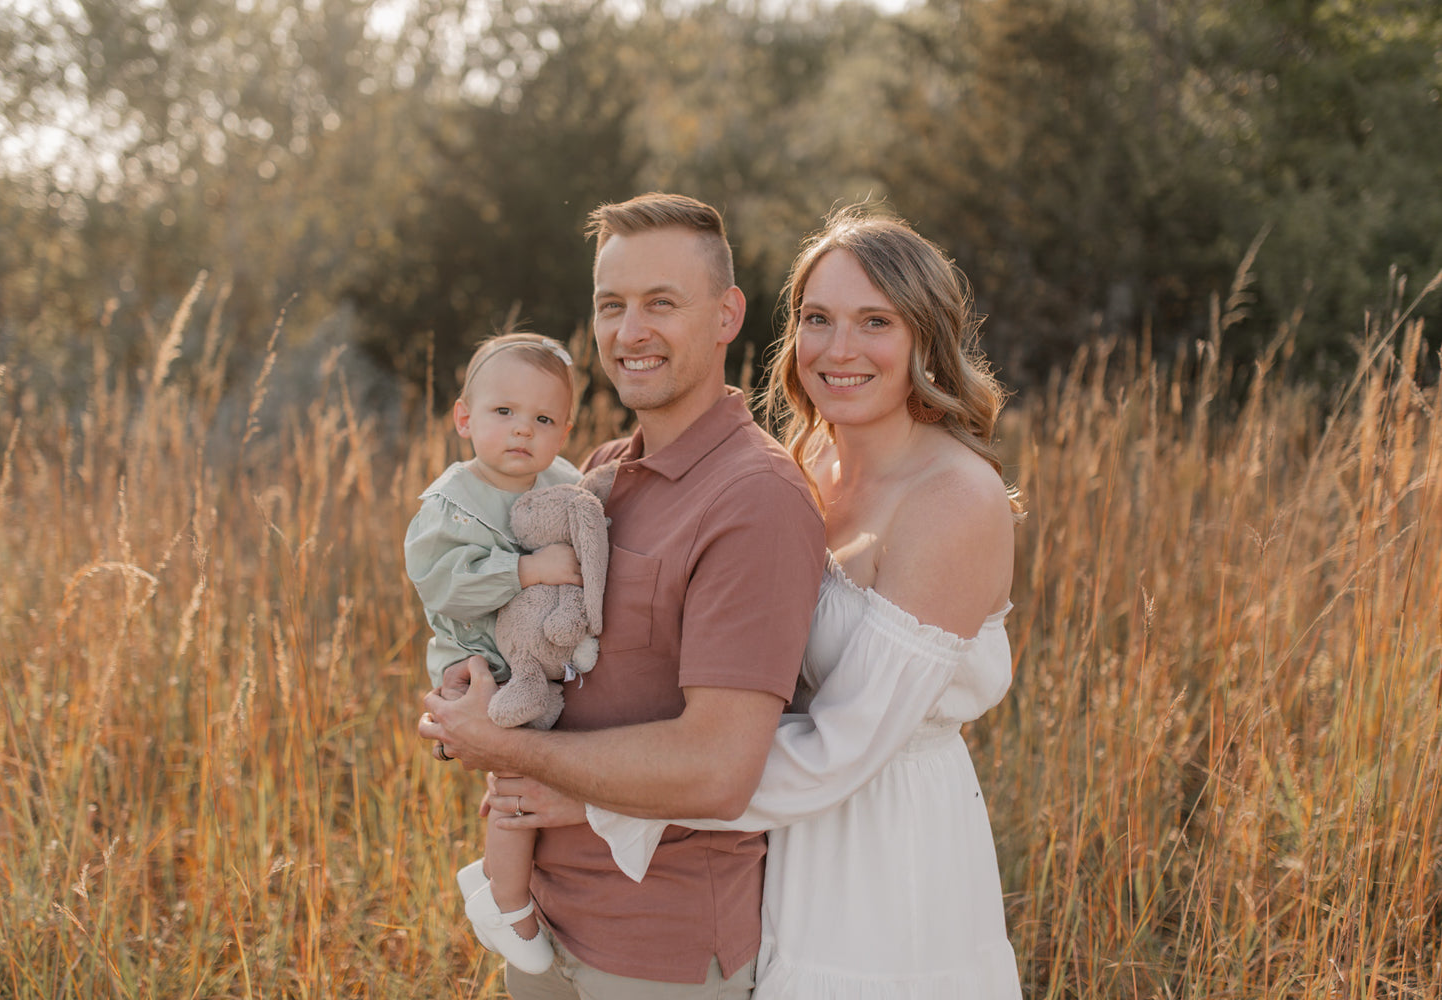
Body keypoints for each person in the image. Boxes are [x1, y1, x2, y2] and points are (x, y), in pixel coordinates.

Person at [582, 205, 1027, 997]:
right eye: (817, 319)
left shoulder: (956, 498)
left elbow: (841, 749)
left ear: (925, 337)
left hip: (888, 851)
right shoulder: (806, 462)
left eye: (875, 322)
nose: (838, 348)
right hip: (778, 842)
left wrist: (609, 789)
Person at [420, 193, 827, 998]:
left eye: (660, 304)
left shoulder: (756, 498)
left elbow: (719, 770)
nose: (629, 331)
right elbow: (538, 645)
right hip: (542, 921)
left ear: (727, 314)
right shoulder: (595, 472)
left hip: (656, 950)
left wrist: (509, 750)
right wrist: (467, 703)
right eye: (612, 305)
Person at [403, 332, 591, 973]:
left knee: (541, 769)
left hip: (535, 657)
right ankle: (506, 901)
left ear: (565, 431)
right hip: (478, 663)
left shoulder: (565, 482)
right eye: (503, 412)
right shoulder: (452, 502)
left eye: (543, 420)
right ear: (464, 418)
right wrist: (527, 571)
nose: (522, 431)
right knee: (518, 777)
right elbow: (444, 585)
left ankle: (493, 875)